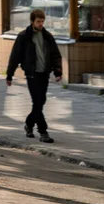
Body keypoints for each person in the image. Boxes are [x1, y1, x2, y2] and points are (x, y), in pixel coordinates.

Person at [6, 8, 64, 143]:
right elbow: (15, 56)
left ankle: (29, 124)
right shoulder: (24, 37)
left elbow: (55, 55)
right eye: (38, 21)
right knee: (37, 102)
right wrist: (9, 75)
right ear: (32, 21)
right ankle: (43, 131)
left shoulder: (47, 36)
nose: (41, 24)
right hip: (32, 74)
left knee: (40, 102)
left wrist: (58, 72)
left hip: (44, 73)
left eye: (42, 21)